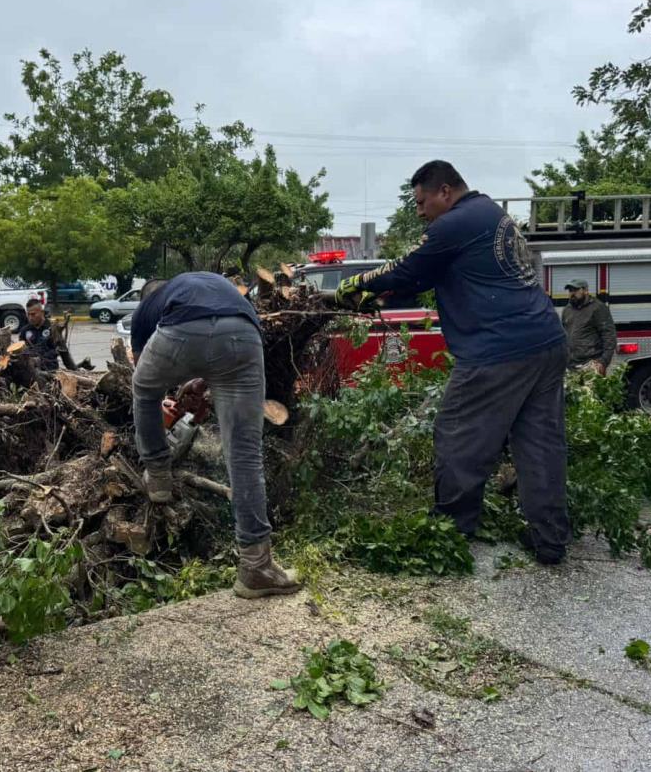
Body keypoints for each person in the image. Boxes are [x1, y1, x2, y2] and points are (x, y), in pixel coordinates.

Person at [335, 160, 571, 564]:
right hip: (546, 340)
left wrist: (358, 284)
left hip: (499, 349)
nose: (419, 211)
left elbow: (408, 268)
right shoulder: (492, 214)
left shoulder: (454, 223)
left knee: (457, 433)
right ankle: (550, 540)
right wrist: (388, 294)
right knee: (539, 443)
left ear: (445, 191)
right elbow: (427, 277)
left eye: (422, 202)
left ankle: (451, 530)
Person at [130, 272, 301, 598]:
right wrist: (204, 381)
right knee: (245, 454)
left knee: (143, 388)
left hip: (182, 331)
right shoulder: (208, 284)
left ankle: (158, 475)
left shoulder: (147, 307)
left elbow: (142, 371)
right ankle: (256, 566)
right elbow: (220, 338)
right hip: (244, 336)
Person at [562, 279, 616, 374]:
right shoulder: (567, 310)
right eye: (570, 291)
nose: (572, 293)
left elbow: (609, 336)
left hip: (591, 365)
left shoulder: (597, 308)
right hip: (571, 366)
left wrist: (603, 362)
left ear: (585, 290)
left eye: (575, 290)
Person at [19, 298, 59, 373]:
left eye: (33, 314)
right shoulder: (24, 331)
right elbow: (22, 350)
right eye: (28, 314)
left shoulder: (51, 328)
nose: (30, 318)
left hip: (50, 369)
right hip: (31, 370)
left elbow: (56, 350)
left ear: (42, 312)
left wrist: (40, 359)